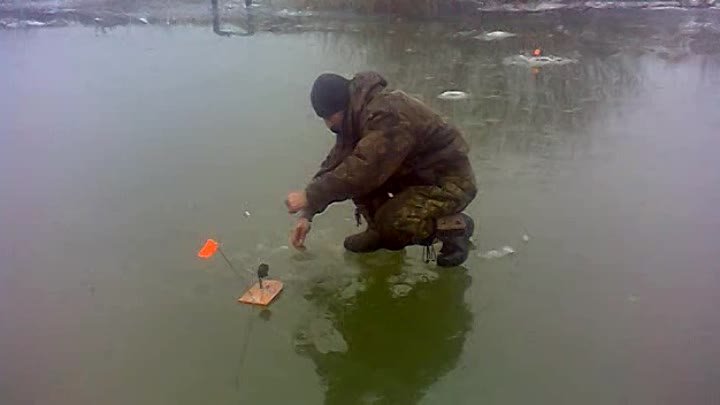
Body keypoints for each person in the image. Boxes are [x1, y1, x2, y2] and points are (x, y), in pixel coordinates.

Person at [285, 71, 477, 267]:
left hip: (447, 182)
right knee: (355, 180)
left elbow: (366, 167)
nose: (328, 124)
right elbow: (337, 162)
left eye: (328, 116)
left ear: (341, 106)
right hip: (415, 176)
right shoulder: (357, 116)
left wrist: (310, 194)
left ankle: (452, 228)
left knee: (392, 219)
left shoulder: (387, 114)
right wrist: (307, 212)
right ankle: (378, 231)